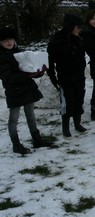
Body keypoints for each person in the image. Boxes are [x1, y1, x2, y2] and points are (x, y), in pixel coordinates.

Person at [0, 26, 50, 154]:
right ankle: (16, 144)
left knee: (31, 115)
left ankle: (37, 139)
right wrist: (28, 75)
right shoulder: (1, 57)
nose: (9, 42)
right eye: (5, 40)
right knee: (14, 118)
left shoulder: (21, 53)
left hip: (27, 89)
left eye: (11, 39)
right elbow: (8, 77)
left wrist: (39, 71)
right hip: (13, 91)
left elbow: (30, 67)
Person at [47, 13, 87, 137]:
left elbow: (82, 57)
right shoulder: (57, 41)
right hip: (65, 78)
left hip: (79, 77)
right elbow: (49, 62)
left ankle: (77, 123)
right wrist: (54, 79)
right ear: (70, 26)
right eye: (78, 27)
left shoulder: (79, 39)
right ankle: (65, 127)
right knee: (68, 102)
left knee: (79, 100)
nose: (80, 29)